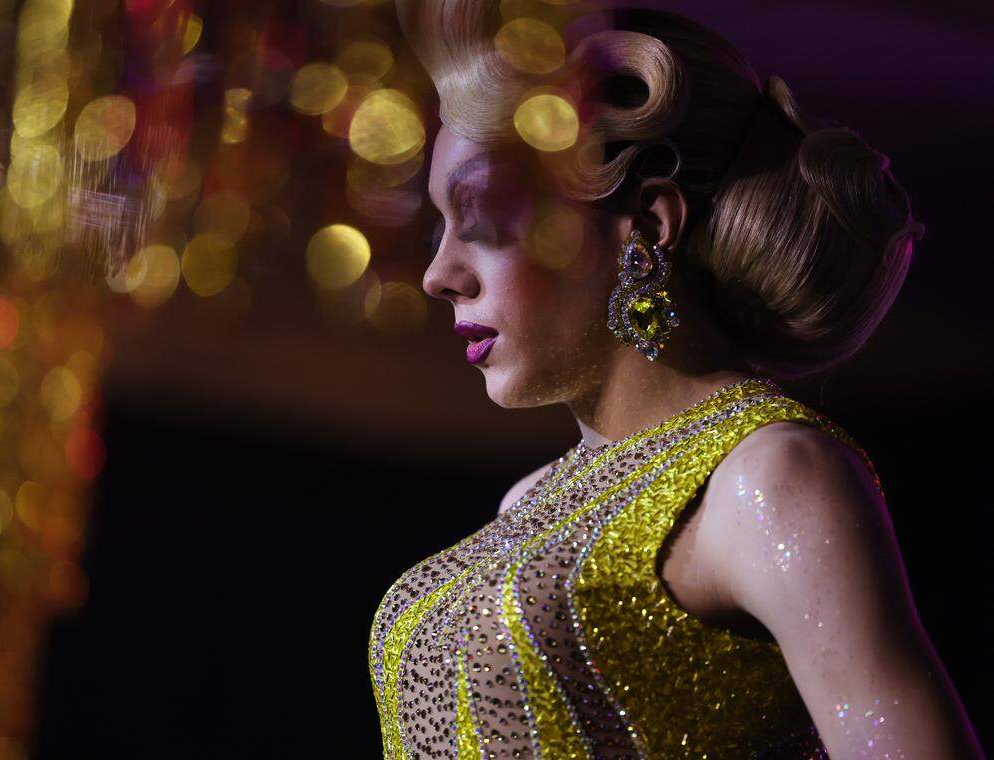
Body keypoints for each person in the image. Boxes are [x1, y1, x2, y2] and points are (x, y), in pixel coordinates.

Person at [369, 4, 985, 758]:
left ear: (648, 227)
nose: (439, 275)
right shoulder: (528, 502)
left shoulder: (770, 477)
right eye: (440, 228)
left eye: (486, 219)